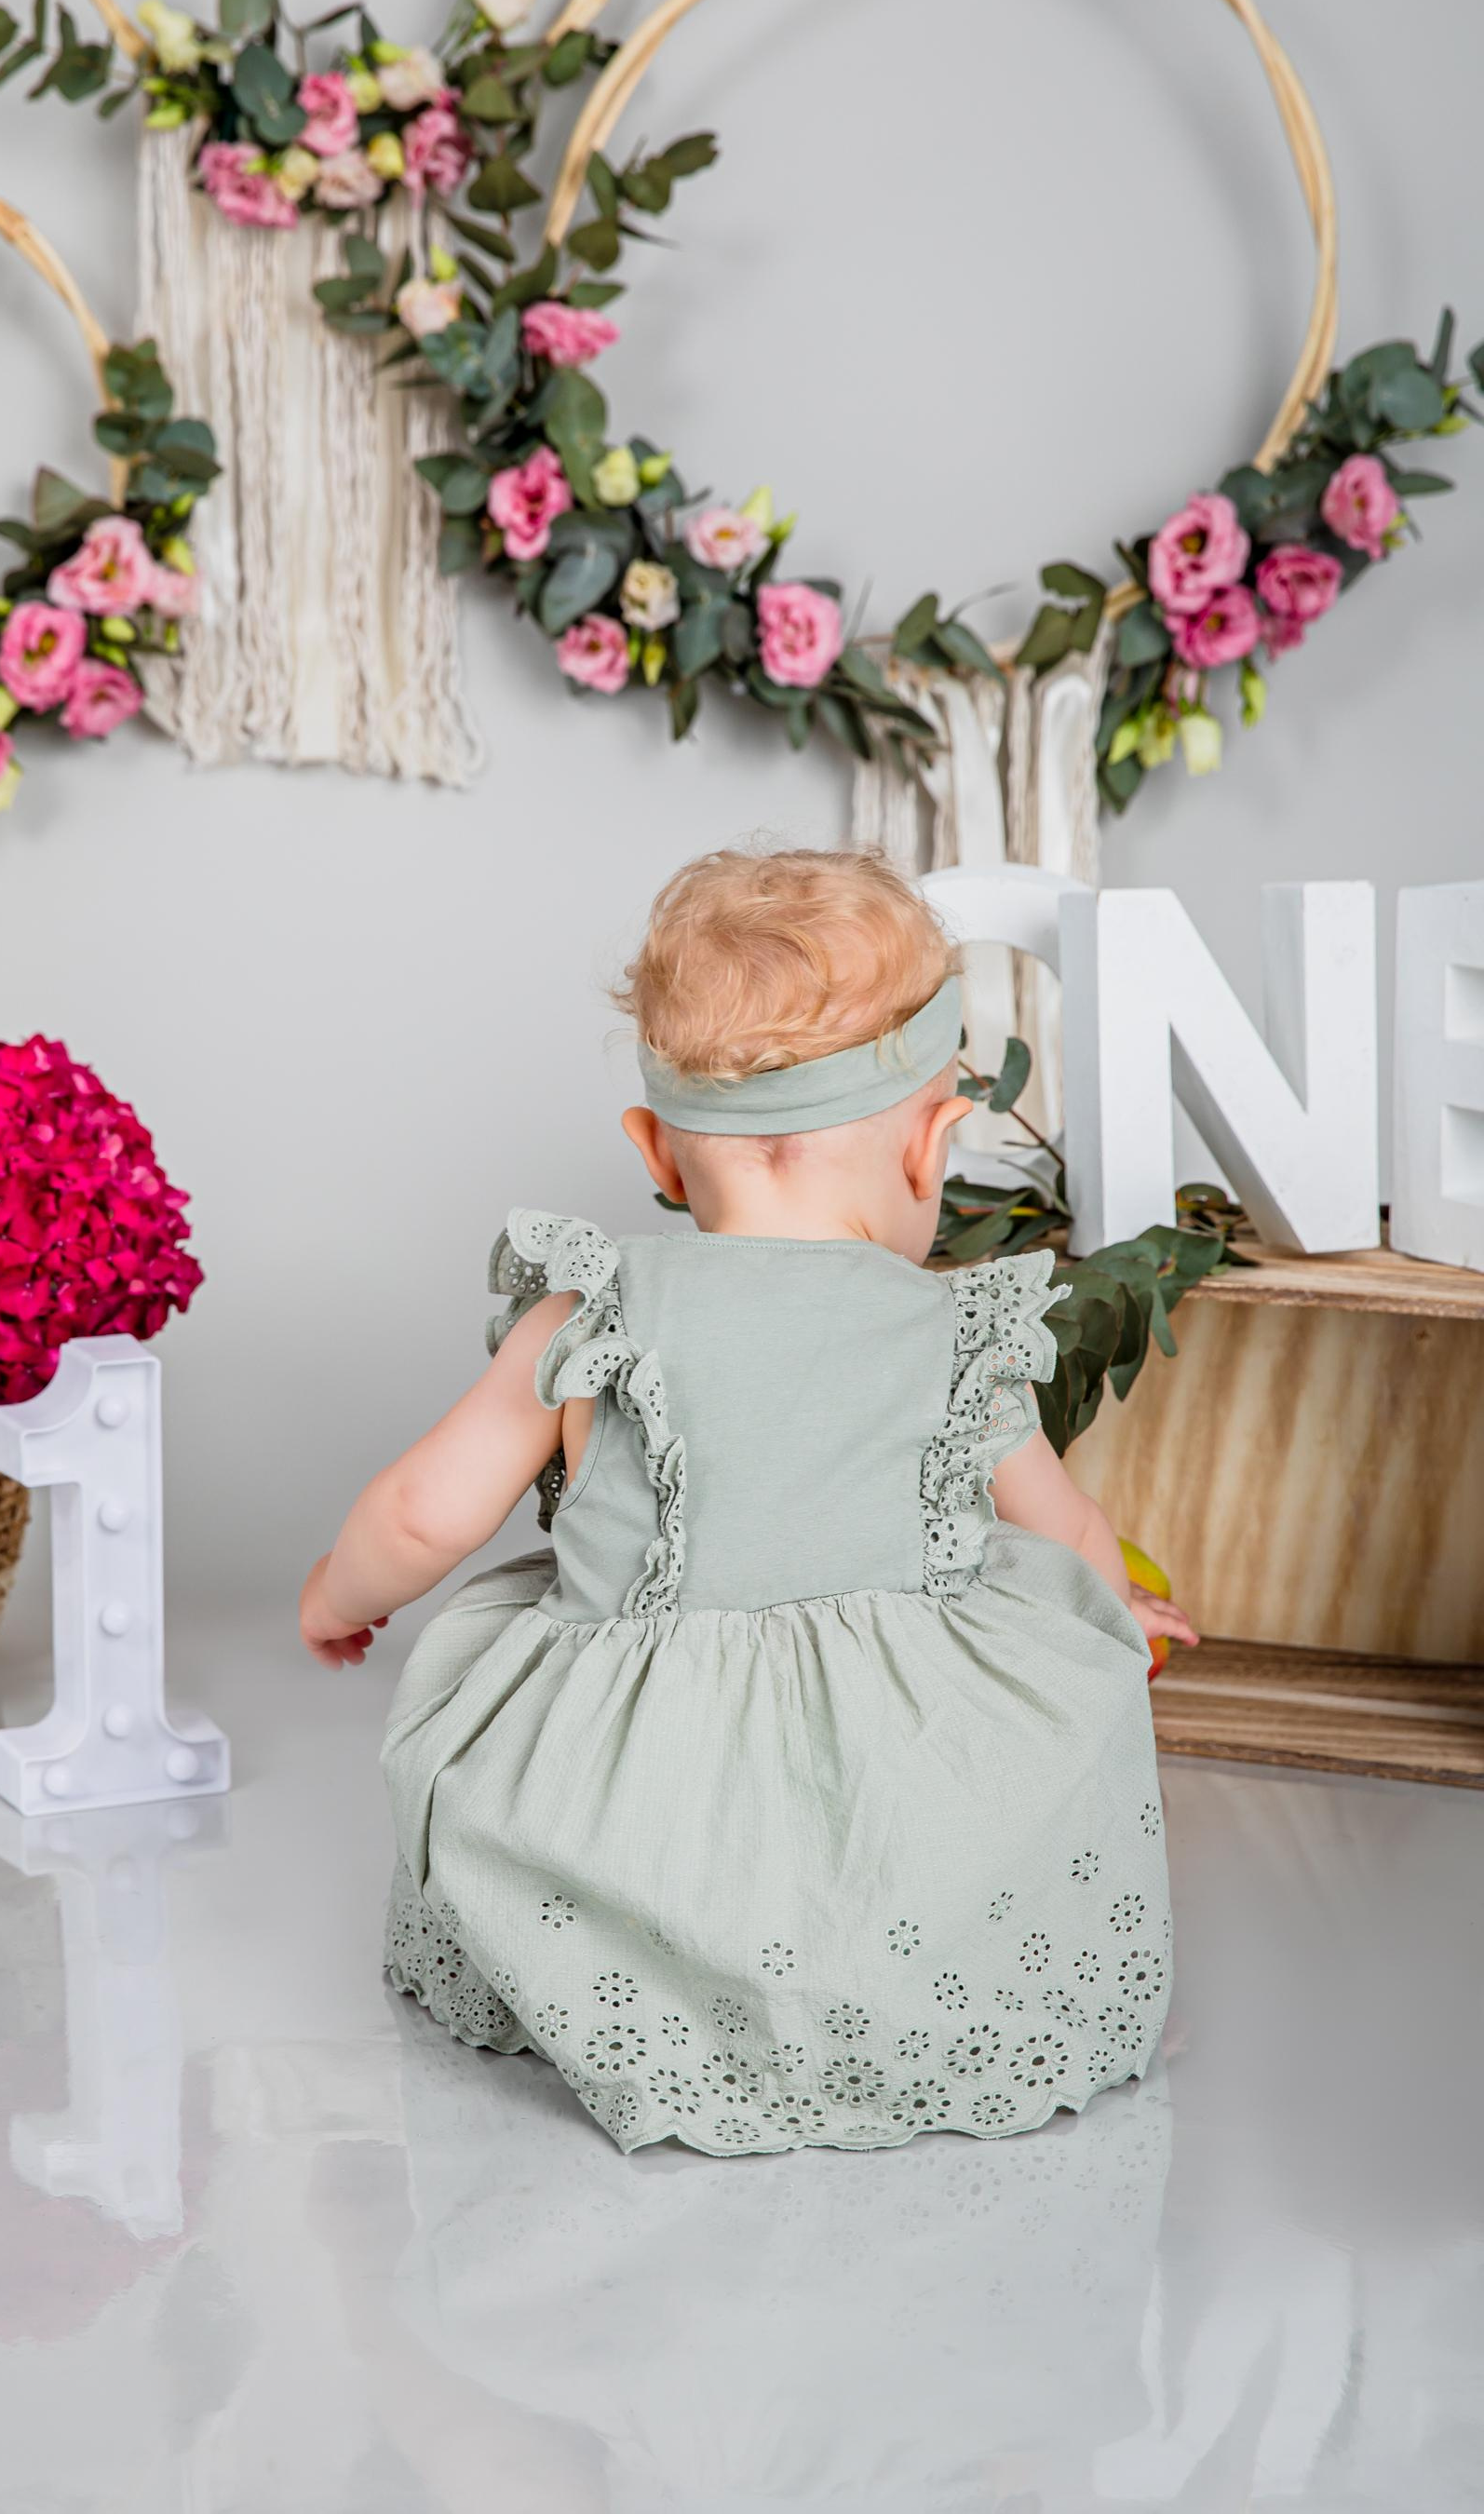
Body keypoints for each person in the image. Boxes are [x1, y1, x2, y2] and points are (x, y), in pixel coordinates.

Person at [301, 845, 1195, 2155]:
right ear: (932, 1144)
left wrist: (337, 1596)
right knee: (1029, 1769)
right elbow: (1061, 1527)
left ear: (657, 1152)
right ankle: (923, 1999)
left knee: (530, 1792)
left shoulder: (593, 1313)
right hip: (899, 1795)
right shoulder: (952, 1331)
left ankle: (638, 1995)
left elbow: (425, 1516)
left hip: (639, 1790)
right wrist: (1113, 1614)